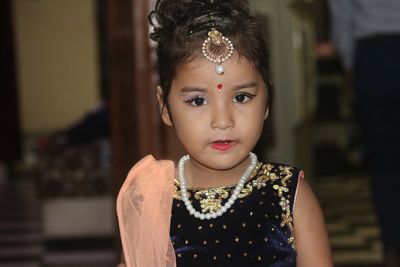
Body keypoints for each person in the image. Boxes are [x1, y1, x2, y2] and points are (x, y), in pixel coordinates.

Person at [117, 0, 332, 266]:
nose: (222, 121)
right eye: (197, 101)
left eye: (242, 97)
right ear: (164, 106)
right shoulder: (151, 198)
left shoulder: (288, 193)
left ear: (267, 101)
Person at [328, 1, 400, 266]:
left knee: (384, 159)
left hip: (373, 53)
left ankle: (393, 245)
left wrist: (350, 64)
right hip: (373, 49)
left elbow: (340, 11)